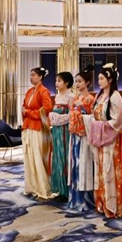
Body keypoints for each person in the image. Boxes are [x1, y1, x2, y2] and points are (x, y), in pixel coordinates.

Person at [83, 63, 122, 218]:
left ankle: (114, 206)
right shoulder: (99, 95)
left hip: (111, 140)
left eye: (102, 78)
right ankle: (102, 203)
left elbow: (118, 121)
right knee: (100, 170)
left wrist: (100, 125)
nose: (99, 81)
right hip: (100, 138)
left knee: (110, 170)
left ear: (110, 80)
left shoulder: (115, 96)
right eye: (98, 79)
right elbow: (94, 115)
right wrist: (91, 121)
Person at [22, 67, 55, 199]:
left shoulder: (43, 91)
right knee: (29, 157)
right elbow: (24, 106)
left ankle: (42, 187)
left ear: (40, 77)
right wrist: (25, 111)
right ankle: (32, 186)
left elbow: (47, 108)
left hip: (38, 127)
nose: (31, 77)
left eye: (34, 75)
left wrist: (29, 112)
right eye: (30, 75)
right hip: (28, 127)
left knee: (38, 157)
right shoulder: (30, 91)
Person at [68, 65, 96, 211]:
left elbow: (94, 118)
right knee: (75, 166)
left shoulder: (90, 99)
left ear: (87, 83)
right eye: (76, 81)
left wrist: (82, 113)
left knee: (84, 165)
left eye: (80, 81)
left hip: (85, 136)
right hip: (74, 136)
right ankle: (75, 198)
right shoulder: (75, 99)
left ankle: (86, 200)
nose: (77, 84)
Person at [49, 72, 74, 200]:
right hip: (56, 130)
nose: (56, 83)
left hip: (65, 131)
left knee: (64, 156)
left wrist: (57, 118)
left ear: (67, 83)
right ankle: (59, 188)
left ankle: (66, 191)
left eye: (59, 81)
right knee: (57, 157)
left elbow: (72, 115)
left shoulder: (71, 97)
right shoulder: (57, 97)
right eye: (56, 80)